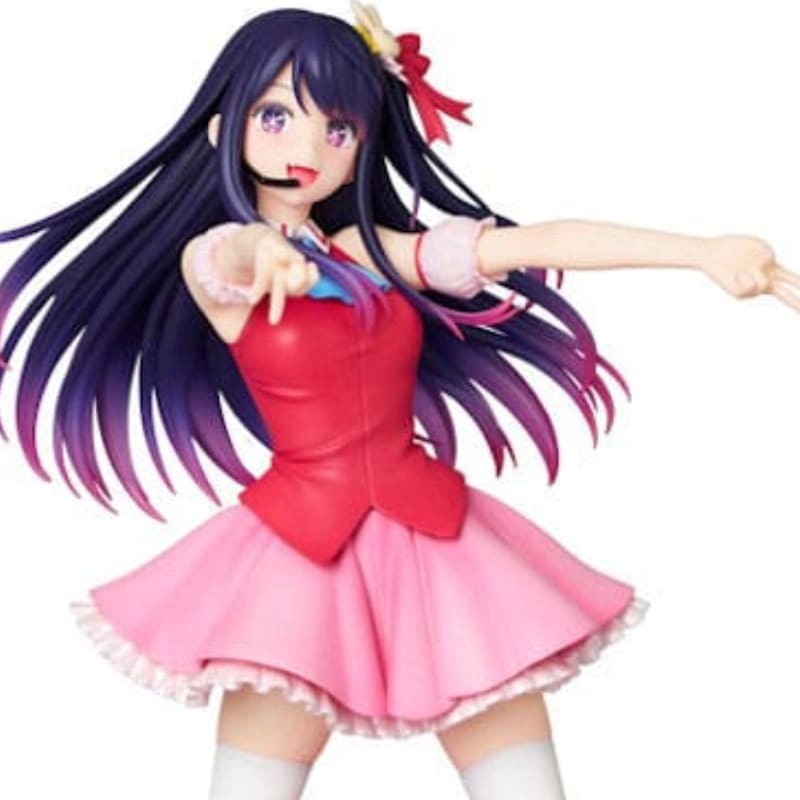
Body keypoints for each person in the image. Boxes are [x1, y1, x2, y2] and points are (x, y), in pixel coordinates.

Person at [0, 4, 797, 799]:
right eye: (275, 116)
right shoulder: (217, 260)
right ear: (223, 129)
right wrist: (262, 250)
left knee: (523, 774)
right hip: (298, 548)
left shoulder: (370, 253)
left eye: (338, 129)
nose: (307, 149)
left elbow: (530, 244)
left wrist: (700, 252)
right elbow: (230, 255)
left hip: (438, 534)